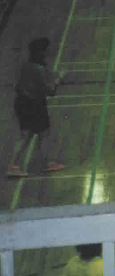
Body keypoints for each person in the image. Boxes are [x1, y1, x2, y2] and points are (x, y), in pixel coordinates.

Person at [7, 37, 65, 177]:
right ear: (41, 52)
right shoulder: (39, 69)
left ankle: (15, 165)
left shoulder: (26, 65)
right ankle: (46, 163)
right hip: (34, 105)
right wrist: (57, 80)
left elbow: (19, 86)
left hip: (21, 103)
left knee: (27, 135)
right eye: (46, 49)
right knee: (42, 134)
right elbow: (50, 91)